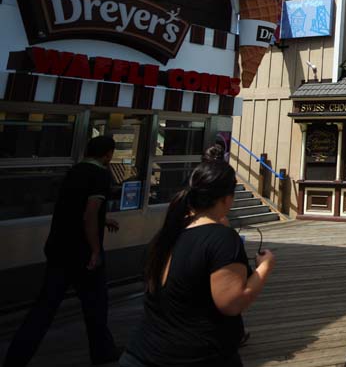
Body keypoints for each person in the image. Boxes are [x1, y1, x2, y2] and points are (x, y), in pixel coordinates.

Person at [119, 158, 275, 367]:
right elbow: (232, 303)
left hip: (143, 352)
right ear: (227, 199)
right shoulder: (222, 239)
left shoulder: (166, 235)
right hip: (195, 356)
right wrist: (265, 266)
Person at [5, 135, 121, 367]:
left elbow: (74, 208)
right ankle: (103, 353)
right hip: (83, 253)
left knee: (44, 308)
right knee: (96, 306)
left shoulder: (74, 171)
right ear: (108, 154)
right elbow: (89, 213)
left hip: (58, 249)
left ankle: (16, 356)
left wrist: (103, 219)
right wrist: (95, 249)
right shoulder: (99, 175)